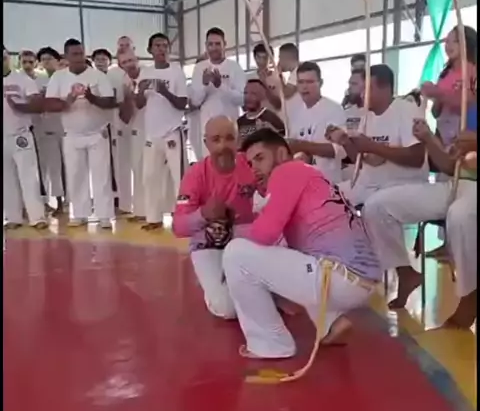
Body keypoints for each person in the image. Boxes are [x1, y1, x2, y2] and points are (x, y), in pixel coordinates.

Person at [222, 128, 382, 359]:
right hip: (359, 281)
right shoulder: (309, 173)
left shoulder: (286, 171)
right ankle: (331, 323)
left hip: (338, 278)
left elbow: (265, 233)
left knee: (235, 254)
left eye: (260, 158)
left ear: (281, 154)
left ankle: (271, 344)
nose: (254, 168)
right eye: (250, 163)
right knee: (293, 253)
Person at [363, 119, 476, 326]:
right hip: (456, 184)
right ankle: (405, 272)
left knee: (460, 215)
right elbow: (449, 167)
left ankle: (470, 294)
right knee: (377, 206)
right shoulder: (467, 114)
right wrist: (428, 139)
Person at [172, 116, 257, 319]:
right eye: (216, 139)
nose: (223, 146)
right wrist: (203, 214)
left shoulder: (252, 164)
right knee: (227, 308)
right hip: (208, 245)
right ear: (206, 143)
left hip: (246, 241)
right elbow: (178, 227)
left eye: (229, 138)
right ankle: (214, 283)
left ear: (237, 140)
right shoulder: (195, 174)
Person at [328, 64, 427, 206]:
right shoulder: (367, 116)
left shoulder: (406, 110)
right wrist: (345, 141)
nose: (362, 94)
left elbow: (417, 158)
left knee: (371, 206)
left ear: (385, 88)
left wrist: (374, 147)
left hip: (399, 186)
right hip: (368, 185)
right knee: (325, 195)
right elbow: (360, 161)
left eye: (367, 89)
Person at [44, 38, 117, 227]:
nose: (79, 57)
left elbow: (110, 102)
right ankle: (79, 213)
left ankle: (104, 216)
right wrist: (70, 98)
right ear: (66, 56)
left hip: (97, 133)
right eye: (74, 54)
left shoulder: (97, 76)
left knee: (101, 176)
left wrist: (91, 97)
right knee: (76, 175)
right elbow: (50, 104)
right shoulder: (58, 77)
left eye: (81, 53)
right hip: (71, 134)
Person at [420, 25, 477, 259]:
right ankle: (448, 243)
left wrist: (438, 94)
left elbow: (467, 101)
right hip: (444, 137)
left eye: (454, 41)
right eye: (447, 41)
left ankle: (461, 246)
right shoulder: (445, 75)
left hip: (465, 137)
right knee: (447, 187)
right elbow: (437, 112)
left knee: (460, 187)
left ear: (466, 44)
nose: (448, 45)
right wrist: (435, 100)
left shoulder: (472, 71)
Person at [136, 32, 188, 231]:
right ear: (150, 50)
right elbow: (139, 104)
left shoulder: (176, 72)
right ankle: (153, 218)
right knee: (149, 177)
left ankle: (183, 218)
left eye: (165, 45)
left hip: (172, 131)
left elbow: (182, 103)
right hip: (152, 133)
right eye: (157, 46)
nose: (161, 49)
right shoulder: (145, 72)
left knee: (179, 178)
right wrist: (140, 91)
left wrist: (164, 92)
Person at [3, 47, 47, 229]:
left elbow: (38, 105)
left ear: (8, 58)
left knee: (28, 177)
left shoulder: (23, 80)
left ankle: (37, 217)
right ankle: (13, 217)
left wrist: (19, 107)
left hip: (20, 134)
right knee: (7, 179)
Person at [287, 61, 346, 184]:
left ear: (321, 83)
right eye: (301, 82)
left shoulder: (334, 109)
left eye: (310, 82)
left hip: (328, 183)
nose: (304, 87)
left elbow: (340, 150)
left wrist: (303, 146)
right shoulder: (295, 113)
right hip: (302, 182)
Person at [189, 28, 246, 154]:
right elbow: (195, 101)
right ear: (206, 46)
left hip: (230, 128)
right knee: (208, 162)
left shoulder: (234, 67)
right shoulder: (199, 68)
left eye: (217, 44)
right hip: (208, 129)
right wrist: (204, 84)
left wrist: (220, 85)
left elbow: (242, 100)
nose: (214, 48)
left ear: (224, 44)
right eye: (210, 44)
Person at [107, 49, 146, 220]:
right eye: (124, 62)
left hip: (149, 129)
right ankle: (129, 206)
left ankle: (144, 209)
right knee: (126, 168)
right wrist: (128, 98)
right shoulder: (119, 81)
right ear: (120, 65)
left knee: (143, 171)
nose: (129, 65)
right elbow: (125, 116)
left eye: (131, 60)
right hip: (128, 129)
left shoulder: (148, 75)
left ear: (137, 59)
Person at [36, 47, 65, 213]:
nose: (46, 62)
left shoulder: (65, 77)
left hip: (66, 125)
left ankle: (73, 201)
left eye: (49, 58)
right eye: (43, 59)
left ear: (57, 61)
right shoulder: (37, 80)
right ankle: (58, 201)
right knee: (53, 166)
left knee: (71, 165)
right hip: (46, 127)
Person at [237, 78, 285, 143]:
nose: (248, 97)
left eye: (253, 93)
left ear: (262, 95)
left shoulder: (271, 119)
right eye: (245, 93)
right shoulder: (239, 122)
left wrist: (271, 134)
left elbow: (282, 141)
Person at [251, 42, 282, 113]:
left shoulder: (277, 77)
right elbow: (244, 105)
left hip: (272, 116)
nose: (262, 61)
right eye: (259, 57)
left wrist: (264, 84)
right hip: (254, 116)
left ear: (270, 58)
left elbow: (278, 105)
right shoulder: (248, 78)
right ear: (254, 58)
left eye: (265, 58)